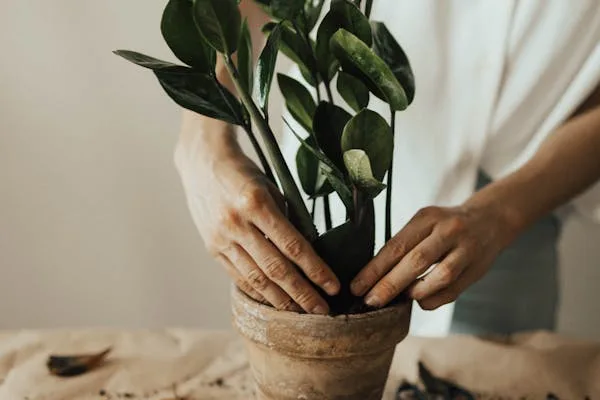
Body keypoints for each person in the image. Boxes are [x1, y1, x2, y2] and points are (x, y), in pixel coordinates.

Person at [174, 0, 600, 335]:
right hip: (324, 184)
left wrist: (505, 212)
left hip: (518, 208)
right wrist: (202, 144)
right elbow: (234, 7)